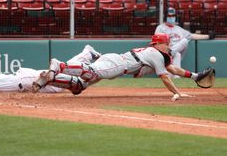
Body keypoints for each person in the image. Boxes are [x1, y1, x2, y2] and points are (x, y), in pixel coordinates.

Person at [32, 33, 212, 101]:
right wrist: (177, 93)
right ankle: (60, 65)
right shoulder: (156, 53)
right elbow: (165, 77)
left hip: (118, 62)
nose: (168, 46)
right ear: (158, 44)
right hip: (118, 64)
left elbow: (174, 70)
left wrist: (194, 76)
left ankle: (50, 78)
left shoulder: (157, 55)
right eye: (166, 43)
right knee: (92, 71)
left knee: (80, 86)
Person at [154, 7, 215, 73]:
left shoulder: (179, 29)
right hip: (164, 54)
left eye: (173, 16)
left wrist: (208, 36)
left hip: (173, 54)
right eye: (169, 16)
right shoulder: (160, 28)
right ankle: (170, 53)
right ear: (166, 17)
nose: (171, 17)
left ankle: (175, 75)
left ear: (175, 17)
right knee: (180, 48)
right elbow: (156, 42)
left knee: (180, 49)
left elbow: (192, 36)